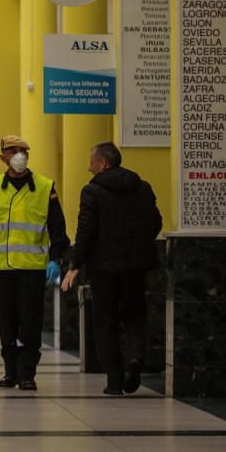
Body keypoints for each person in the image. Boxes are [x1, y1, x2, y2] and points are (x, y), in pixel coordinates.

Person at [61, 142, 162, 396]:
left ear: (103, 164)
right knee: (135, 313)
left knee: (105, 321)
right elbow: (156, 222)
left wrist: (75, 265)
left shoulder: (92, 191)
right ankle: (137, 359)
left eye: (91, 162)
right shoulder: (143, 187)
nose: (88, 167)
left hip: (103, 268)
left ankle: (115, 379)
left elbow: (85, 231)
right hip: (135, 266)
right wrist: (139, 245)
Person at [0, 135, 69, 391]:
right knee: (5, 322)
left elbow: (58, 227)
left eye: (24, 150)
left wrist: (55, 258)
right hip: (1, 268)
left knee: (30, 322)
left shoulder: (46, 188)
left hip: (33, 268)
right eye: (13, 150)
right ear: (3, 156)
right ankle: (10, 371)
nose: (20, 154)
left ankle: (27, 374)